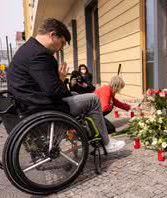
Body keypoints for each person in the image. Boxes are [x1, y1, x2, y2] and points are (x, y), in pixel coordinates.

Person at [7, 18, 125, 152]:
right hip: (40, 107)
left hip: (28, 103)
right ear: (52, 35)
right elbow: (54, 92)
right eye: (62, 43)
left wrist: (61, 84)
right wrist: (61, 79)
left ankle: (90, 133)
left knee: (76, 95)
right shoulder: (40, 55)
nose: (61, 48)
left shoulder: (28, 49)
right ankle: (106, 142)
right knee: (93, 99)